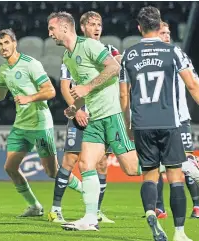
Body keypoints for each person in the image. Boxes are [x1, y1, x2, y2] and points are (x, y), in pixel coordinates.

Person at [120, 6, 199, 241]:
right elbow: (193, 85)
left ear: (139, 28)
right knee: (175, 176)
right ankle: (179, 233)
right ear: (159, 26)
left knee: (149, 175)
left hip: (142, 123)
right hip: (169, 122)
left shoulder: (129, 55)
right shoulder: (173, 52)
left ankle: (150, 211)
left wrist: (128, 124)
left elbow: (124, 96)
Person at [0, 28, 82, 218]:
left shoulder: (31, 64)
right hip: (20, 126)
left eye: (6, 43)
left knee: (52, 172)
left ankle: (88, 192)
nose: (3, 48)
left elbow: (50, 91)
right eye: (0, 45)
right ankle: (35, 206)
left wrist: (29, 98)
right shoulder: (4, 69)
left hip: (39, 125)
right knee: (10, 168)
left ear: (15, 43)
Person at [47, 11, 140, 231]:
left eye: (52, 29)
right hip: (94, 119)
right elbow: (81, 90)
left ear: (65, 28)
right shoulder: (68, 57)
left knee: (131, 168)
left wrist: (87, 87)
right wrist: (75, 108)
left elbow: (114, 68)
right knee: (85, 164)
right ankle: (90, 218)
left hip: (111, 115)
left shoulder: (90, 46)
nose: (49, 33)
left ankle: (181, 165)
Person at [156, 21, 199, 219]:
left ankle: (196, 205)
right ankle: (159, 207)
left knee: (186, 163)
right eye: (162, 33)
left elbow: (194, 83)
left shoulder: (177, 55)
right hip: (157, 120)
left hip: (180, 119)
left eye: (168, 32)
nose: (167, 36)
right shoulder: (148, 58)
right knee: (157, 166)